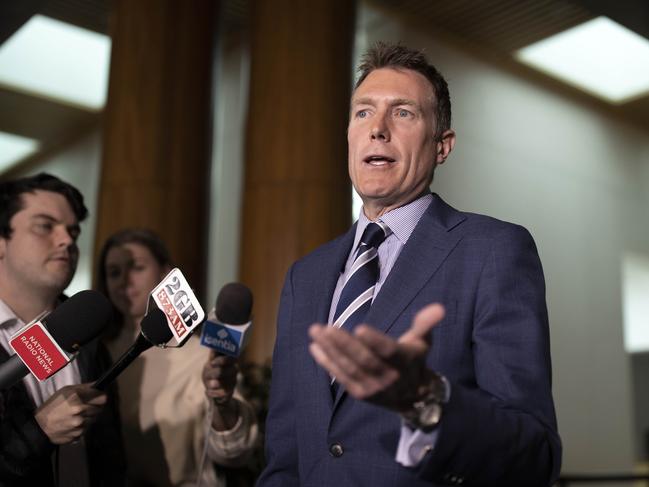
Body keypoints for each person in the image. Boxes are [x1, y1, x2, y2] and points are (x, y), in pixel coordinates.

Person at [257, 42, 562, 486]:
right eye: (363, 112)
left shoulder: (493, 250)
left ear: (442, 146)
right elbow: (285, 457)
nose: (377, 129)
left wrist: (428, 400)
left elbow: (535, 455)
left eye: (403, 113)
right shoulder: (305, 277)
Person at [97, 228, 258, 487]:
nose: (125, 281)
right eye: (114, 272)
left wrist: (222, 400)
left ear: (165, 273)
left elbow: (234, 452)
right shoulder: (98, 355)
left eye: (136, 267)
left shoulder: (203, 355)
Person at [0, 173, 125, 486]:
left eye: (73, 231)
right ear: (1, 242)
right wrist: (39, 430)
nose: (67, 240)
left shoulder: (90, 336)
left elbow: (110, 457)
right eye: (45, 226)